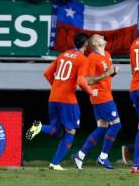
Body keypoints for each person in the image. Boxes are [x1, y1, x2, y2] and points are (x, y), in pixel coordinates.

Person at [26, 33, 96, 170]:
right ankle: (55, 163)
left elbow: (47, 73)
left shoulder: (63, 54)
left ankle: (39, 127)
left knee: (55, 129)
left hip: (53, 97)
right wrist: (90, 91)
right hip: (68, 100)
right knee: (70, 132)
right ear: (86, 45)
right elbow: (81, 81)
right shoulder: (82, 59)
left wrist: (58, 86)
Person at [73, 34, 121, 170]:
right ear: (95, 43)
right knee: (117, 125)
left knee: (102, 128)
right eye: (100, 37)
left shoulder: (106, 54)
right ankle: (103, 157)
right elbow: (87, 80)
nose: (102, 36)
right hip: (101, 96)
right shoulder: (92, 58)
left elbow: (108, 73)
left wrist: (113, 72)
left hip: (105, 93)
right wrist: (106, 74)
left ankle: (80, 155)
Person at [129, 36, 139, 173]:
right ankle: (137, 164)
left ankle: (137, 162)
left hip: (134, 88)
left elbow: (133, 70)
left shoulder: (134, 44)